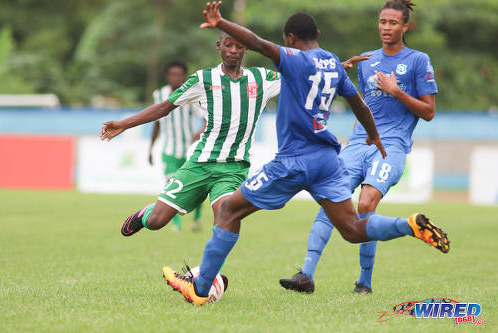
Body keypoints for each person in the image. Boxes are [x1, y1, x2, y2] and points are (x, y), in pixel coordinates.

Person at [163, 1, 449, 306]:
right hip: (327, 161)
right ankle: (408, 225)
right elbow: (360, 105)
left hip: (292, 161)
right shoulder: (334, 64)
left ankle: (201, 287)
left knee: (230, 211)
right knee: (352, 229)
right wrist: (374, 136)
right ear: (319, 33)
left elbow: (256, 42)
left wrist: (222, 22)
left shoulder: (294, 59)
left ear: (289, 38)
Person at [279, 0, 439, 295]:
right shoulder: (367, 61)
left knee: (365, 205)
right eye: (382, 22)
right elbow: (362, 105)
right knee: (331, 198)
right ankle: (305, 275)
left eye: (393, 23)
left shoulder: (418, 60)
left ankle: (364, 282)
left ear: (406, 27)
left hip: (391, 146)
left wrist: (397, 91)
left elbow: (428, 111)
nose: (386, 28)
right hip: (357, 144)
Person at [100, 31, 281, 238]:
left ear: (247, 49)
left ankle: (207, 272)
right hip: (200, 163)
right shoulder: (203, 79)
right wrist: (124, 123)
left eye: (239, 47)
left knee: (226, 218)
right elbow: (164, 107)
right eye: (228, 45)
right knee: (156, 221)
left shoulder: (262, 78)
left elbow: (298, 79)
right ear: (218, 46)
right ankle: (146, 214)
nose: (233, 51)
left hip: (234, 167)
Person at [149, 60, 206, 232]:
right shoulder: (159, 94)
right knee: (171, 185)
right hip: (169, 150)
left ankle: (196, 218)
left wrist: (199, 132)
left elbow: (205, 117)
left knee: (198, 188)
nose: (175, 78)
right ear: (167, 76)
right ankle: (176, 225)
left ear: (184, 76)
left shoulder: (191, 94)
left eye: (179, 74)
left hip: (189, 149)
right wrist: (150, 149)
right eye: (172, 74)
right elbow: (156, 122)